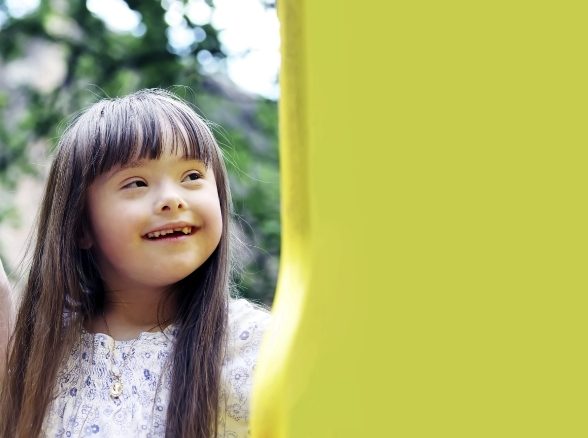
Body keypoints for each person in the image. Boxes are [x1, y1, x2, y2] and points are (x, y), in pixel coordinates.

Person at [0, 89, 271, 437]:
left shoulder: (250, 343)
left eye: (191, 176)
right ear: (82, 226)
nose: (172, 199)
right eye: (137, 183)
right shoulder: (42, 350)